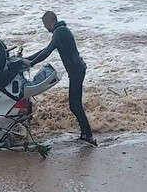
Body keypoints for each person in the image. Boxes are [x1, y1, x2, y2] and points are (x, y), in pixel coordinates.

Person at [23, 11, 96, 145]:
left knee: (75, 106)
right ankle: (85, 135)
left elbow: (47, 52)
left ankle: (89, 137)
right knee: (75, 105)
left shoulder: (60, 32)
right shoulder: (60, 31)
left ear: (49, 22)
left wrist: (31, 63)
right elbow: (45, 49)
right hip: (77, 71)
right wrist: (28, 59)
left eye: (45, 25)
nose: (45, 27)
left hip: (77, 71)